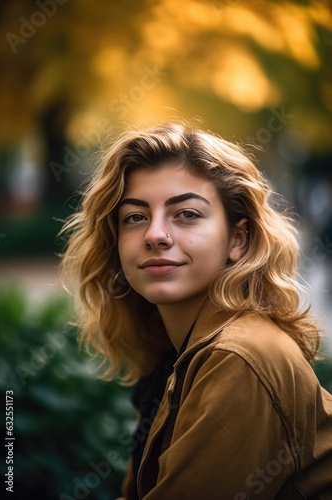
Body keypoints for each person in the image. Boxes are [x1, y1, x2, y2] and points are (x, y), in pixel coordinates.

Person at [60, 123, 332, 499]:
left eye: (186, 214)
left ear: (238, 239)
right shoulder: (172, 355)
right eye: (135, 217)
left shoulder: (237, 357)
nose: (155, 234)